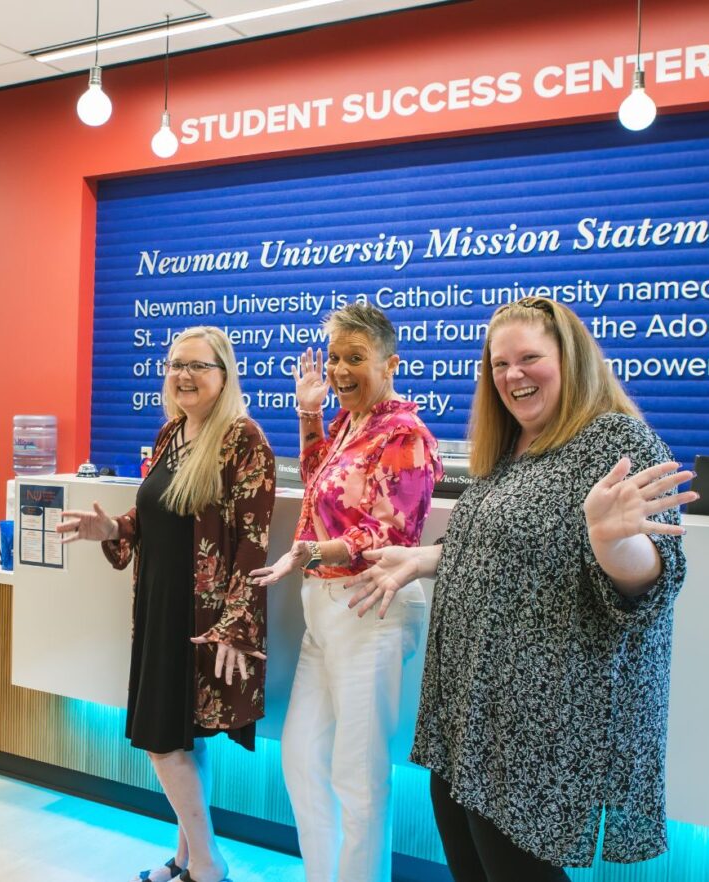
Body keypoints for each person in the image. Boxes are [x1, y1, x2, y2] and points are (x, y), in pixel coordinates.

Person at [348, 297, 696, 881]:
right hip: (468, 706)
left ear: (571, 361)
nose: (512, 375)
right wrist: (424, 558)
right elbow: (503, 550)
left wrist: (613, 544)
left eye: (529, 358)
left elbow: (652, 581)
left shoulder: (613, 442)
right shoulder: (512, 449)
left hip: (534, 722)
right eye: (499, 364)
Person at [56, 326, 275, 882]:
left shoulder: (242, 440)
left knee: (162, 743)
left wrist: (234, 623)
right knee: (182, 738)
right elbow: (156, 519)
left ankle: (207, 864)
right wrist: (113, 527)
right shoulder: (172, 433)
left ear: (224, 374)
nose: (184, 375)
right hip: (158, 609)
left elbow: (254, 540)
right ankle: (184, 857)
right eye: (176, 363)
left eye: (198, 365)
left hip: (202, 619)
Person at [251, 302, 439, 882]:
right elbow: (318, 488)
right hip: (323, 615)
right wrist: (310, 415)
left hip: (369, 610)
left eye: (355, 357)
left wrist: (311, 552)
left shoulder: (404, 433)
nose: (339, 369)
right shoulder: (349, 425)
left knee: (358, 780)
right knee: (303, 757)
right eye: (334, 357)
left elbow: (391, 534)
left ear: (389, 363)